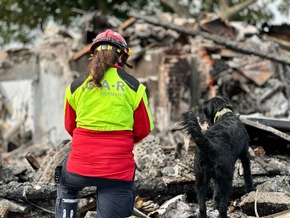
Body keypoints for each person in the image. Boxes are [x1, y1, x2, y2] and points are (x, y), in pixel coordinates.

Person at [55, 29, 154, 218]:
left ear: (93, 55)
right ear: (122, 57)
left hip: (80, 167)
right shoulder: (134, 87)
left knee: (64, 180)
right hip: (117, 170)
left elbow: (70, 127)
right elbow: (143, 129)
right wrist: (119, 143)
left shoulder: (76, 85)